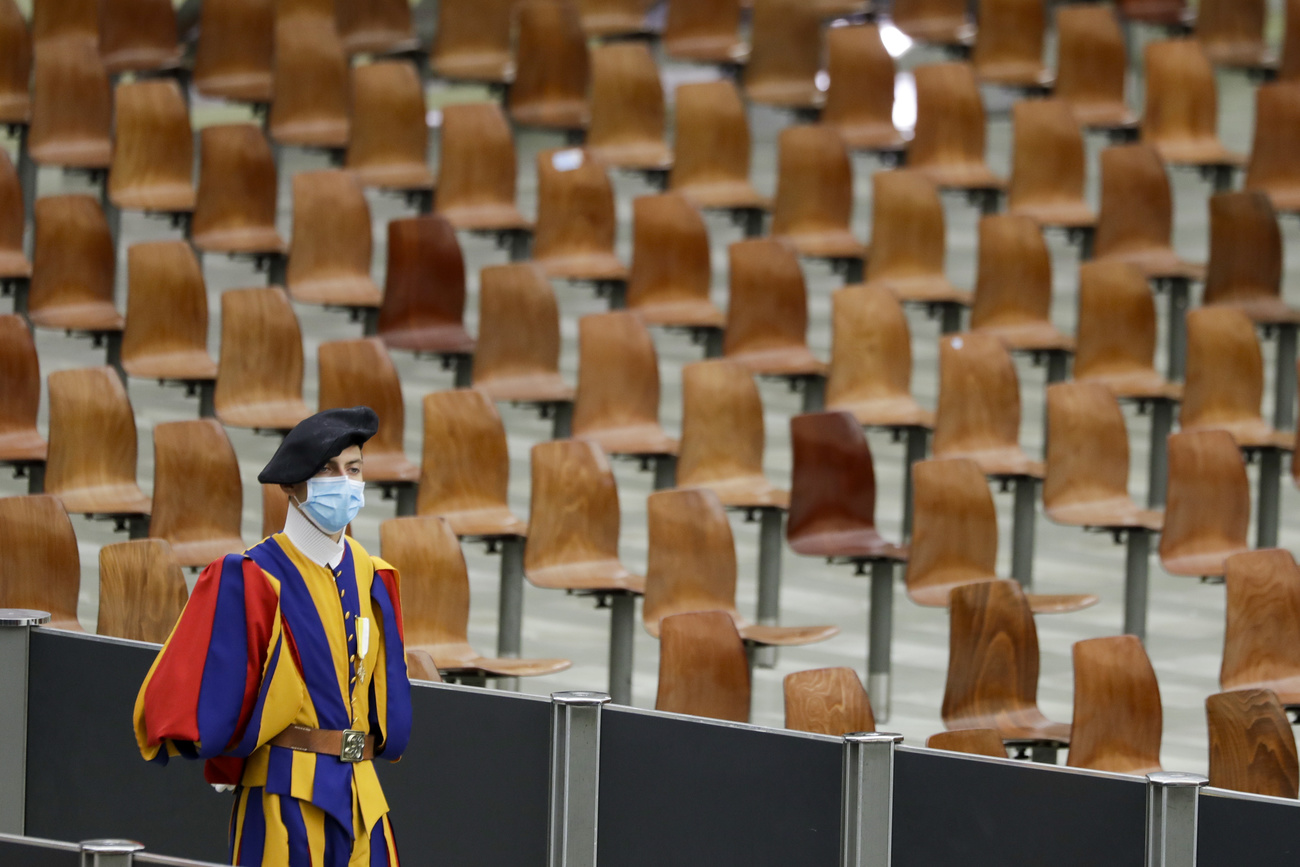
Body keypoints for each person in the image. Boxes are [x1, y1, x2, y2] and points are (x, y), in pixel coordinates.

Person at [133, 407, 412, 867]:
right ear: (291, 484)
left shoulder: (372, 575)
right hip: (286, 793)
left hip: (365, 797)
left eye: (354, 469)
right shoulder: (251, 577)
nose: (344, 481)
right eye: (328, 469)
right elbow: (213, 692)